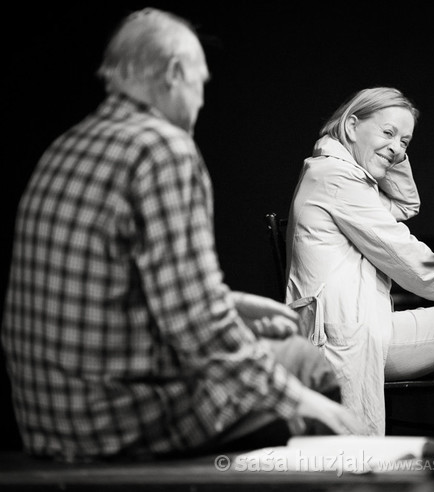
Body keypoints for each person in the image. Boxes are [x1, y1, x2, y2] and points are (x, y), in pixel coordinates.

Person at [1, 8, 361, 463]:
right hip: (118, 423)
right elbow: (197, 327)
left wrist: (232, 305)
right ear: (173, 73)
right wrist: (301, 401)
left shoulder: (66, 145)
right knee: (308, 365)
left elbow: (103, 293)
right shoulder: (162, 148)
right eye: (200, 84)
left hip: (47, 416)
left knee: (271, 357)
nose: (200, 102)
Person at [285, 87, 434, 440]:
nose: (399, 148)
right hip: (344, 336)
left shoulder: (343, 177)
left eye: (406, 142)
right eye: (388, 132)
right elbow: (411, 263)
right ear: (352, 126)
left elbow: (403, 206)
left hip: (366, 326)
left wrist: (391, 150)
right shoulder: (336, 179)